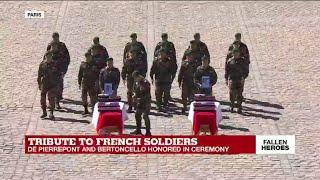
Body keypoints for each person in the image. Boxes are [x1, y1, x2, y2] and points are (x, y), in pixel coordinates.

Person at [46, 32, 70, 102]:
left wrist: (64, 69)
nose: (55, 39)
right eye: (54, 38)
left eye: (56, 38)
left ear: (58, 38)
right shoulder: (50, 46)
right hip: (51, 69)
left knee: (60, 83)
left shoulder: (62, 45)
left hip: (60, 68)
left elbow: (67, 57)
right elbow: (46, 56)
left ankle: (59, 96)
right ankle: (54, 99)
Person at [37, 51, 60, 119]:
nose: (48, 58)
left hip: (53, 84)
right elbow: (39, 75)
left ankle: (51, 113)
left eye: (50, 56)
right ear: (45, 57)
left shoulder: (55, 64)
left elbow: (59, 75)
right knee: (42, 99)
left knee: (51, 98)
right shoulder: (42, 64)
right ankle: (44, 112)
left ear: (51, 57)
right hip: (44, 83)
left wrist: (57, 84)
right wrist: (39, 84)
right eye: (47, 56)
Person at [225, 48, 249, 113]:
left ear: (239, 53)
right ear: (233, 54)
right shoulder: (230, 61)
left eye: (237, 53)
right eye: (235, 53)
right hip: (232, 79)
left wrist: (243, 77)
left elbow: (246, 70)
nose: (236, 54)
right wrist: (226, 79)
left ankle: (239, 106)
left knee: (239, 93)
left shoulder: (242, 61)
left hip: (239, 79)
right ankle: (232, 105)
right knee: (232, 93)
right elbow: (227, 71)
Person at [131, 71, 152, 136]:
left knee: (145, 116)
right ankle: (138, 130)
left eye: (136, 78)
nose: (135, 80)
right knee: (137, 115)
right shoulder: (137, 82)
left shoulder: (145, 83)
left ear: (139, 76)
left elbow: (147, 94)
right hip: (140, 102)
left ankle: (148, 132)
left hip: (146, 102)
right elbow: (135, 90)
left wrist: (138, 97)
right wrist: (134, 95)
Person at [178, 50, 197, 114]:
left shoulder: (195, 64)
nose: (190, 58)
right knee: (184, 96)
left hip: (192, 82)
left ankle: (192, 108)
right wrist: (179, 81)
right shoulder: (184, 64)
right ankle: (184, 106)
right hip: (185, 82)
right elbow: (180, 73)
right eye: (188, 56)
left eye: (191, 56)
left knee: (192, 96)